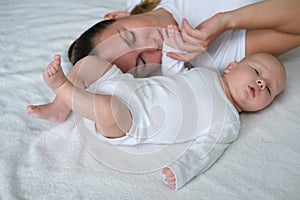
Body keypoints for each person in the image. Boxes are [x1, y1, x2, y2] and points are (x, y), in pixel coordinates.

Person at [38, 26, 286, 189]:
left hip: (130, 121)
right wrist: (171, 46)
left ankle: (63, 88)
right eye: (256, 71)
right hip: (126, 86)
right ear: (232, 66)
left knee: (106, 109)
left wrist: (182, 169)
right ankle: (59, 107)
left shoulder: (229, 120)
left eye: (270, 90)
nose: (261, 83)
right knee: (89, 63)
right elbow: (173, 71)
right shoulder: (205, 73)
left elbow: (206, 151)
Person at [27, 0, 300, 122]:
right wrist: (227, 21)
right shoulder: (220, 58)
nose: (151, 44)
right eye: (144, 59)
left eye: (130, 38)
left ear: (117, 15)